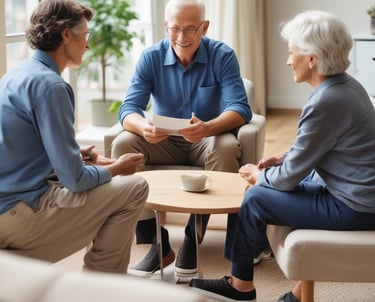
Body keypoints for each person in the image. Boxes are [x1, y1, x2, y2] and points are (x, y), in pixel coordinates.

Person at [189, 10, 375, 302]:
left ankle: (240, 288)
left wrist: (261, 176)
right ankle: (296, 295)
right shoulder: (347, 87)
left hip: (356, 207)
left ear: (312, 59)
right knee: (263, 186)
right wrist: (281, 159)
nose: (288, 61)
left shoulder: (327, 100)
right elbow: (318, 147)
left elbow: (288, 180)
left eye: (292, 53)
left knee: (254, 196)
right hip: (358, 195)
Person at [0, 0, 149, 274]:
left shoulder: (16, 75)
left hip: (6, 204)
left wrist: (74, 157)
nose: (88, 45)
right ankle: (100, 287)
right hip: (18, 214)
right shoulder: (52, 86)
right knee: (135, 187)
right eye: (86, 34)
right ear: (66, 34)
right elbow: (75, 180)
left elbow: (20, 149)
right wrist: (117, 168)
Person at [111, 0, 253, 277]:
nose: (181, 37)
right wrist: (143, 128)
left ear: (204, 27)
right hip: (162, 141)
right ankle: (157, 242)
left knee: (225, 147)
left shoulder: (222, 55)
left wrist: (207, 127)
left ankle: (192, 236)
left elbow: (240, 109)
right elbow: (128, 109)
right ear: (166, 27)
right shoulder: (151, 57)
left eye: (190, 29)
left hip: (206, 139)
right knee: (122, 144)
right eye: (174, 29)